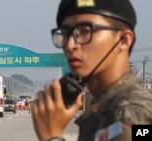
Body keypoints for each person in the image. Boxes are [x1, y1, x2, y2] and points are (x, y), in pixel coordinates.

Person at [31, 0, 152, 141]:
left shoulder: (133, 112)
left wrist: (52, 137)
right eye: (65, 34)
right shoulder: (104, 107)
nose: (70, 45)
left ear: (124, 40)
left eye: (84, 31)